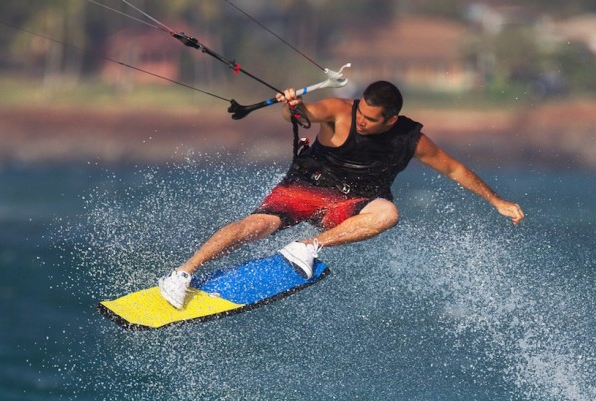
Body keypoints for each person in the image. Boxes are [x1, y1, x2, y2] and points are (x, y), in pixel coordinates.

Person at [158, 80, 525, 309]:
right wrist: (293, 107)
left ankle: (308, 246)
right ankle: (181, 275)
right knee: (255, 226)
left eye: (370, 119)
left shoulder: (408, 138)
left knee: (388, 215)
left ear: (391, 120)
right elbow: (305, 114)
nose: (361, 121)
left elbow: (454, 169)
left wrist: (497, 201)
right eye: (361, 112)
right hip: (307, 186)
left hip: (352, 202)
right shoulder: (338, 111)